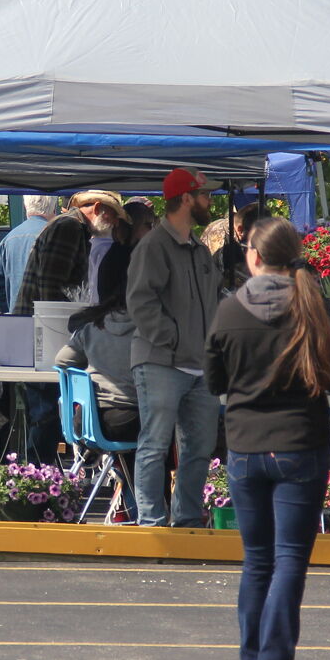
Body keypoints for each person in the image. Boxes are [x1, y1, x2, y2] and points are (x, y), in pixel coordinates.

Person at [205, 216, 330, 660]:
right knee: (290, 557)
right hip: (299, 445)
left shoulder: (229, 311)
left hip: (245, 446)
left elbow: (214, 381)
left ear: (253, 255)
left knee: (257, 560)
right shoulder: (312, 307)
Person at [125, 167, 221, 527]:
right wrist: (178, 340)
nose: (209, 201)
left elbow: (212, 302)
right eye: (204, 195)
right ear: (186, 199)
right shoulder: (153, 246)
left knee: (199, 448)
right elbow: (140, 303)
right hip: (161, 362)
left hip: (199, 365)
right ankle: (150, 523)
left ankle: (188, 522)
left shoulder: (199, 250)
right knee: (155, 444)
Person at [52, 244, 140, 444]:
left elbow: (61, 361)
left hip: (88, 421)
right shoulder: (149, 333)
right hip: (133, 421)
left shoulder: (91, 328)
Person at [14, 192, 115, 313]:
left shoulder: (71, 225)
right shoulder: (70, 227)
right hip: (38, 323)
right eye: (113, 214)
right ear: (97, 208)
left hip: (37, 321)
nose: (114, 222)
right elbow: (50, 286)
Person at [0, 196, 57, 313]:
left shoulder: (9, 239)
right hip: (52, 318)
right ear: (54, 209)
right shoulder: (59, 237)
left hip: (17, 317)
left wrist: (11, 308)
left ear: (25, 207)